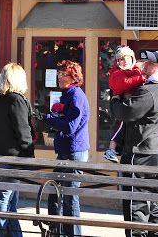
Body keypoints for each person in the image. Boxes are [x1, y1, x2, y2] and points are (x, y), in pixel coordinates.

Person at [110, 50, 158, 237]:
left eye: (151, 64)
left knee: (135, 202)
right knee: (153, 200)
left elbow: (123, 112)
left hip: (140, 151)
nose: (145, 65)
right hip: (155, 150)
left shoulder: (150, 91)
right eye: (146, 62)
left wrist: (115, 97)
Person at [44, 60, 90, 237]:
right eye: (58, 74)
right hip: (66, 150)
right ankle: (59, 231)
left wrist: (49, 119)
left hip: (74, 151)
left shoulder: (76, 95)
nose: (59, 77)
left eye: (63, 75)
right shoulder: (67, 94)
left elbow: (70, 126)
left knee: (70, 197)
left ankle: (72, 234)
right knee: (57, 191)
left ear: (73, 77)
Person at [0, 63, 35, 237]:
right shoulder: (16, 100)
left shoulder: (0, 99)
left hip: (0, 154)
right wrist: (30, 156)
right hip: (13, 157)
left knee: (10, 200)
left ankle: (15, 234)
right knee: (5, 199)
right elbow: (23, 131)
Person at [104, 46, 146, 163]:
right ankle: (111, 150)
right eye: (122, 59)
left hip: (132, 105)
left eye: (128, 58)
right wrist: (141, 78)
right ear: (118, 62)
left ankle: (117, 150)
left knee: (125, 128)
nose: (125, 61)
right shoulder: (116, 73)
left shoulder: (136, 70)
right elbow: (123, 84)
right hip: (122, 104)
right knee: (120, 125)